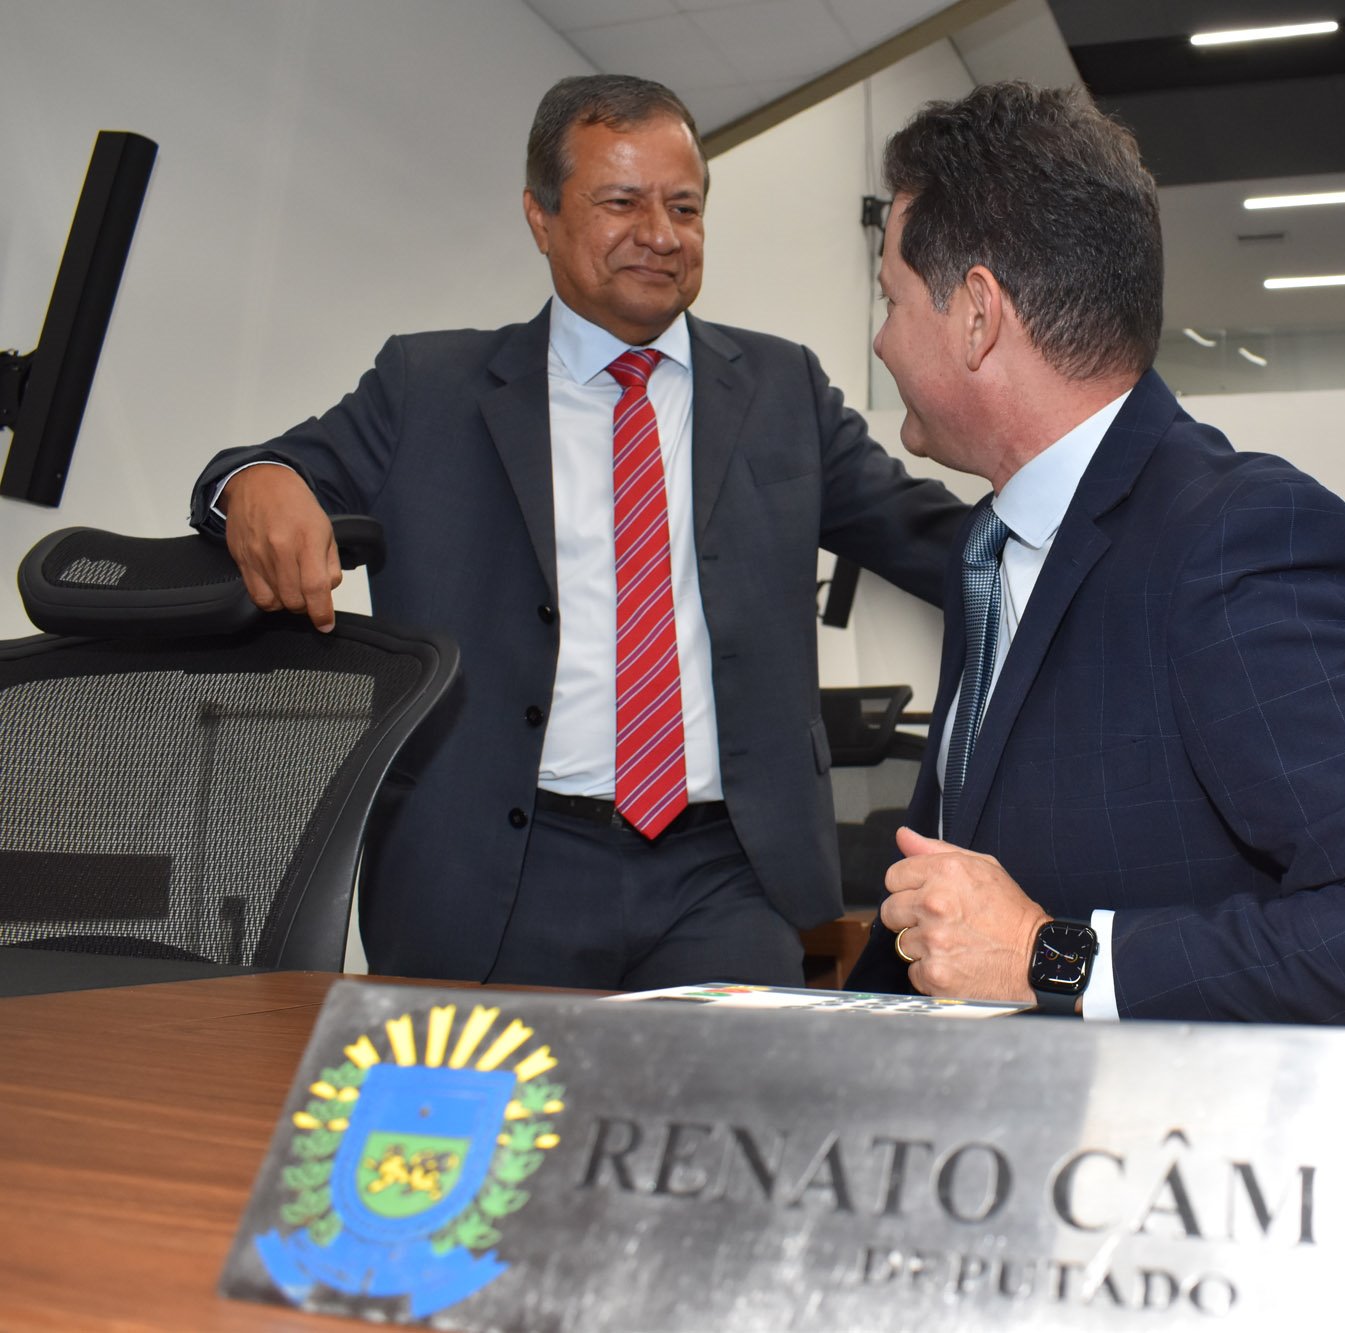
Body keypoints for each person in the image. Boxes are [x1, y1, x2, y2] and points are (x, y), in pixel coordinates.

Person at [191, 75, 964, 990]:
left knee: (735, 1087)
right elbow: (261, 475)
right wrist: (257, 481)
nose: (661, 234)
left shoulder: (780, 387)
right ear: (541, 216)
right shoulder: (427, 388)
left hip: (726, 874)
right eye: (622, 202)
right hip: (500, 871)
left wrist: (1079, 515)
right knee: (488, 1093)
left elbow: (932, 538)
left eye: (684, 206)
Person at [844, 83, 1345, 1026]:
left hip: (1169, 1113)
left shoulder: (1240, 541)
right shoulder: (988, 550)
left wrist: (1050, 956)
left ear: (978, 314)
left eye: (892, 300)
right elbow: (944, 911)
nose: (881, 340)